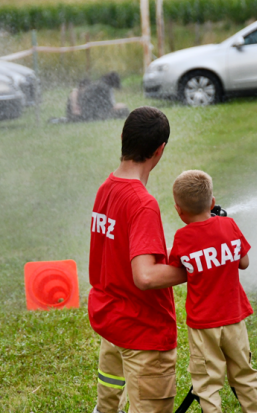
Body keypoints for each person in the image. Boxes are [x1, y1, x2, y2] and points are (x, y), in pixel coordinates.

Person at [89, 106, 186, 413]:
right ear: (160, 150)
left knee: (108, 406)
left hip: (112, 327)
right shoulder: (142, 204)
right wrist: (195, 266)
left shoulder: (106, 188)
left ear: (123, 138)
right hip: (143, 332)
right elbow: (144, 277)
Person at [168, 170, 257, 413]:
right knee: (244, 373)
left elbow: (176, 270)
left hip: (203, 325)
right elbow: (244, 263)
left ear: (179, 211)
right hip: (234, 318)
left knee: (207, 382)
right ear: (212, 203)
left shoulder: (182, 238)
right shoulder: (229, 224)